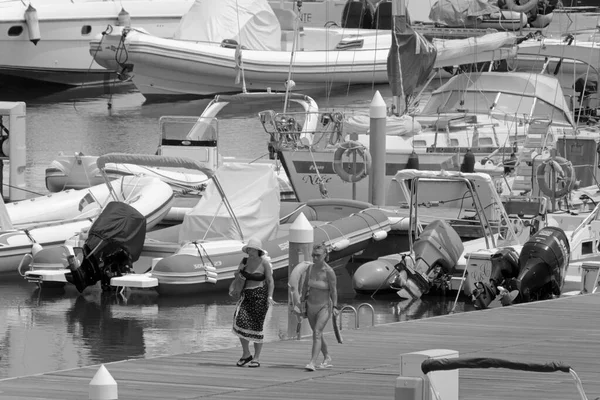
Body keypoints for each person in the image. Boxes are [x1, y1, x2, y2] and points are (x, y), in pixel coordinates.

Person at [231, 237, 275, 368]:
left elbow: (270, 281)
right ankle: (246, 354)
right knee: (240, 321)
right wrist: (238, 273)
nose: (250, 251)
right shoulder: (244, 261)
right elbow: (237, 275)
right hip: (246, 295)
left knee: (257, 327)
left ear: (258, 251)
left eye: (253, 249)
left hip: (260, 295)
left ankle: (256, 357)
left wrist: (270, 297)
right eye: (249, 249)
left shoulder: (264, 263)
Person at [301, 243, 340, 371]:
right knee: (317, 334)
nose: (315, 258)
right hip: (310, 305)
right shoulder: (310, 269)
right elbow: (305, 286)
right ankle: (327, 356)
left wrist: (335, 306)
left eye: (317, 255)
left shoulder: (329, 272)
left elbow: (334, 291)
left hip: (324, 307)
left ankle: (312, 362)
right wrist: (301, 303)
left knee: (317, 333)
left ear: (325, 255)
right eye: (313, 255)